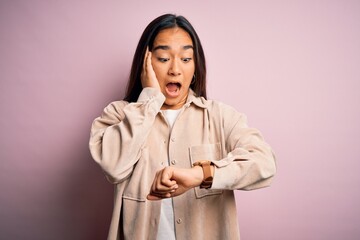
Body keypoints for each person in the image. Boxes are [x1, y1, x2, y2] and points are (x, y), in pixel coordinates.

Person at [89, 14, 276, 240]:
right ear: (145, 64)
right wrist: (149, 99)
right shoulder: (118, 116)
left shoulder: (219, 116)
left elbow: (265, 164)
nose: (175, 69)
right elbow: (113, 166)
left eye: (186, 59)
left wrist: (201, 174)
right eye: (163, 58)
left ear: (196, 66)